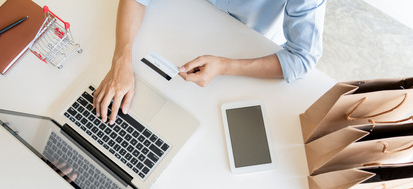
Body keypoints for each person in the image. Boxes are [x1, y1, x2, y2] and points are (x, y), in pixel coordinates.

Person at [93, 0, 326, 125]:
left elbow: (302, 57)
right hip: (184, 22)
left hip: (248, 47)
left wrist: (225, 66)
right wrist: (121, 59)